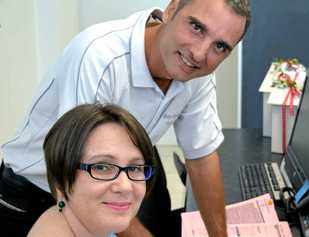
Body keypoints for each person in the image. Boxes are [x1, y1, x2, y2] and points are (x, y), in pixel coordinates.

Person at [0, 0, 251, 236]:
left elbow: (201, 156)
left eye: (220, 46)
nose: (198, 53)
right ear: (172, 9)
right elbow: (82, 173)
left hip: (106, 181)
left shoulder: (196, 73)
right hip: (37, 190)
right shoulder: (99, 57)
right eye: (196, 27)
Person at [27, 103, 156, 237]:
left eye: (135, 168)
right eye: (102, 167)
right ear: (60, 175)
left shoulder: (87, 224)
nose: (125, 186)